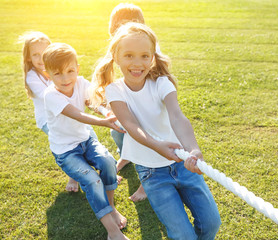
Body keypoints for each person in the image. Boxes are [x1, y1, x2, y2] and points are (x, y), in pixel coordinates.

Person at [91, 22, 221, 240]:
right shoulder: (115, 91)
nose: (137, 63)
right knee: (183, 235)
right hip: (152, 174)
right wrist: (156, 145)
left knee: (211, 224)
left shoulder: (162, 83)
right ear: (116, 56)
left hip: (182, 166)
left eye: (144, 56)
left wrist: (193, 149)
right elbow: (131, 126)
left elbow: (177, 116)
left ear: (152, 57)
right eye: (129, 55)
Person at [42, 43, 128, 240]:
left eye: (70, 71)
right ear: (48, 75)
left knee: (108, 163)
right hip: (66, 151)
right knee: (92, 180)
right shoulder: (51, 95)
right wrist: (105, 122)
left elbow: (93, 103)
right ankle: (113, 232)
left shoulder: (80, 83)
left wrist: (107, 112)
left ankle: (112, 208)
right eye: (58, 74)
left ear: (77, 68)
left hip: (86, 140)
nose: (66, 79)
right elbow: (77, 114)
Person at [19, 31, 81, 192]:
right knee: (70, 144)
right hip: (48, 120)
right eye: (36, 55)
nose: (41, 59)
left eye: (44, 53)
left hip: (66, 115)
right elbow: (52, 96)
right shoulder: (32, 77)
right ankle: (74, 178)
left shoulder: (58, 69)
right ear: (29, 58)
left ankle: (105, 170)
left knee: (88, 137)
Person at [107, 3, 152, 202]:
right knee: (116, 129)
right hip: (128, 101)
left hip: (147, 104)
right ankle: (126, 155)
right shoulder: (117, 47)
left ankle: (147, 183)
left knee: (146, 139)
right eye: (118, 27)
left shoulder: (148, 46)